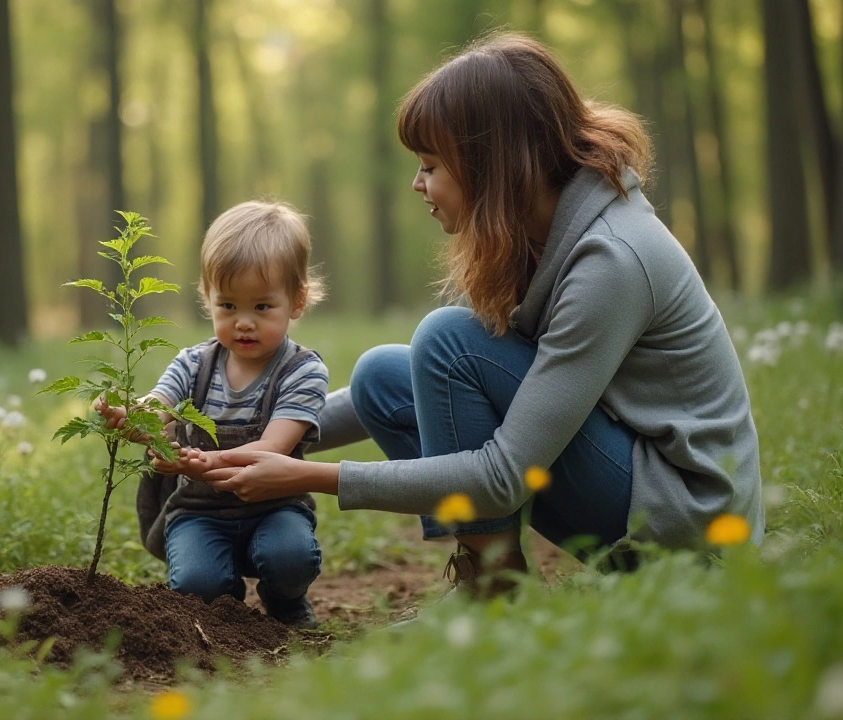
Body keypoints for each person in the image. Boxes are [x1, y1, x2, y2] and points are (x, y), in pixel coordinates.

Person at [190, 33, 764, 599]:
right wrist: (245, 440)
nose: (419, 183)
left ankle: (491, 587)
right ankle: (494, 578)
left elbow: (505, 473)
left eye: (432, 165)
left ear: (493, 165)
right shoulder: (546, 235)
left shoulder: (611, 259)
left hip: (690, 527)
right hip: (637, 483)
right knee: (382, 376)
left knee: (448, 341)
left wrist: (307, 476)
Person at [96, 200, 329, 627]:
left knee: (290, 557)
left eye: (261, 307)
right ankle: (224, 604)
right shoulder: (193, 363)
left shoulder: (303, 371)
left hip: (275, 506)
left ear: (296, 301)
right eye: (228, 306)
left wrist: (209, 461)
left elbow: (275, 446)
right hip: (199, 510)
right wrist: (131, 416)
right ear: (208, 299)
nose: (243, 322)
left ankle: (283, 599)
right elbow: (160, 404)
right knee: (196, 584)